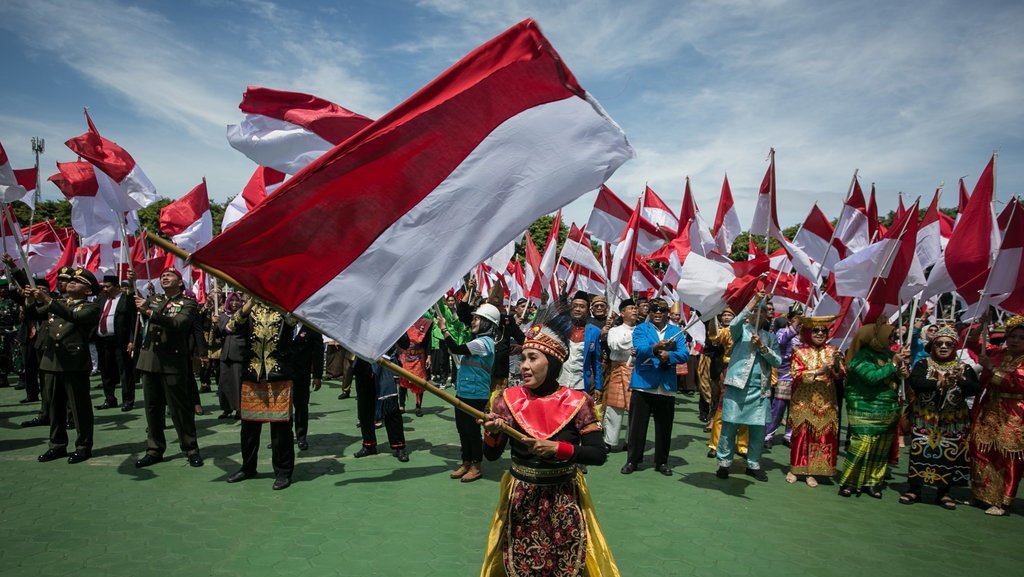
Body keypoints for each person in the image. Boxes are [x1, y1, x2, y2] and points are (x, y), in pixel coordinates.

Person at [479, 315, 620, 577]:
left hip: (564, 498)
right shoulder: (506, 399)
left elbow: (598, 454)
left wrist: (558, 449)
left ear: (552, 362)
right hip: (521, 497)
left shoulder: (578, 402)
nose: (524, 366)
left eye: (533, 358)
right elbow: (491, 454)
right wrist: (491, 433)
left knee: (566, 564)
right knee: (520, 565)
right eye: (523, 358)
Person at [900, 325, 979, 509]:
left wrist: (962, 380)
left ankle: (944, 492)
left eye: (948, 344)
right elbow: (916, 382)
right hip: (925, 418)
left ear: (955, 347)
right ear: (933, 346)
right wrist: (940, 383)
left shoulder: (963, 367)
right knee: (920, 453)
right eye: (939, 344)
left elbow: (974, 389)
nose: (944, 347)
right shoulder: (923, 364)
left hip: (952, 422)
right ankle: (915, 489)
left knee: (949, 456)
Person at [133, 267, 204, 469]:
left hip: (172, 362)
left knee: (179, 409)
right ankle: (154, 450)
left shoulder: (188, 303)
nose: (164, 277)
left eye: (169, 275)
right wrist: (132, 284)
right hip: (150, 361)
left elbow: (179, 324)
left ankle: (191, 448)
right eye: (162, 275)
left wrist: (149, 313)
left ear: (180, 282)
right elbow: (136, 305)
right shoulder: (154, 300)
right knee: (152, 408)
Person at [225, 298, 298, 490]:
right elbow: (230, 327)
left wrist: (281, 303)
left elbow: (293, 321)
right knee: (248, 428)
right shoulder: (250, 309)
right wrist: (247, 305)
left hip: (278, 375)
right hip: (253, 374)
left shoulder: (285, 307)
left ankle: (283, 472)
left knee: (281, 429)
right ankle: (248, 467)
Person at [31, 269, 101, 464]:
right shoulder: (59, 303)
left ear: (87, 291)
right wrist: (30, 299)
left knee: (79, 408)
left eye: (78, 282)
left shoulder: (91, 307)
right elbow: (34, 314)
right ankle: (57, 444)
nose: (71, 283)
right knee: (54, 406)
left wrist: (47, 300)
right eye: (70, 281)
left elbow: (74, 318)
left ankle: (83, 446)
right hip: (52, 361)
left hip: (74, 362)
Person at [837, 319, 909, 498]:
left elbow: (891, 378)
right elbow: (871, 377)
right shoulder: (860, 357)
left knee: (880, 447)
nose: (892, 339)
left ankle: (873, 482)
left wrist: (901, 372)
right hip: (864, 409)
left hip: (887, 410)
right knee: (860, 445)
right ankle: (849, 481)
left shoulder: (887, 354)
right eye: (889, 336)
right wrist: (893, 364)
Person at [715, 290, 781, 482]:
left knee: (758, 430)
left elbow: (777, 361)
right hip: (737, 387)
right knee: (729, 426)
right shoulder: (739, 331)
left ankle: (753, 464)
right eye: (753, 312)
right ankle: (724, 463)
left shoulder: (770, 337)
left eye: (759, 313)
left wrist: (762, 347)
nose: (755, 316)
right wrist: (755, 300)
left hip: (759, 390)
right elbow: (734, 322)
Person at [621, 297, 689, 476]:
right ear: (649, 312)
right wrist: (656, 347)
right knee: (637, 426)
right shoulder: (641, 329)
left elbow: (684, 354)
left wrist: (669, 355)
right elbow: (641, 349)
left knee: (665, 427)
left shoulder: (676, 331)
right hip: (644, 384)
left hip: (665, 386)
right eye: (654, 310)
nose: (658, 313)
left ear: (667, 313)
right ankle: (632, 460)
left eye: (662, 310)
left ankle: (662, 462)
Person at [969, 315, 1024, 516]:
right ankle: (981, 494)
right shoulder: (999, 353)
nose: (1015, 340)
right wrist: (981, 325)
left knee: (1009, 455)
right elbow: (974, 343)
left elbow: (1017, 383)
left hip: (1014, 412)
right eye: (1012, 336)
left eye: (1021, 337)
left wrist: (991, 369)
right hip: (989, 407)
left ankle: (1003, 502)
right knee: (981, 449)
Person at [437, 302, 498, 483]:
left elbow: (455, 348)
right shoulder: (476, 341)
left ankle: (476, 465)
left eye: (477, 318)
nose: (473, 321)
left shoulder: (484, 343)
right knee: (462, 429)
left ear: (488, 322)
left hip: (476, 394)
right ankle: (466, 462)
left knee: (472, 431)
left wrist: (444, 330)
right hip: (464, 391)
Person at [786, 315, 844, 486]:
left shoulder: (833, 350)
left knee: (822, 437)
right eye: (816, 330)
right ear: (808, 332)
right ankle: (796, 468)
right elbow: (796, 374)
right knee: (801, 435)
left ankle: (813, 471)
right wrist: (820, 371)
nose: (820, 333)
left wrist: (836, 364)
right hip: (804, 400)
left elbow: (839, 375)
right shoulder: (799, 351)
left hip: (826, 401)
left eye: (823, 331)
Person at [94, 274, 137, 411]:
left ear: (117, 287)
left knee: (124, 372)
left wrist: (132, 340)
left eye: (108, 286)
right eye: (104, 286)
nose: (105, 289)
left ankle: (128, 400)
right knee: (106, 371)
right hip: (103, 341)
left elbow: (133, 321)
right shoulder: (100, 300)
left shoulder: (126, 299)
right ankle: (110, 398)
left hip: (121, 341)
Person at [602, 299, 637, 451]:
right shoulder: (614, 330)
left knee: (635, 408)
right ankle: (609, 440)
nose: (635, 310)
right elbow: (614, 345)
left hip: (636, 371)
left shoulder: (642, 329)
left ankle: (631, 440)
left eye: (636, 308)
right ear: (622, 313)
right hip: (618, 369)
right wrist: (635, 338)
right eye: (631, 308)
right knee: (614, 407)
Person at [291, 322, 324, 451]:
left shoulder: (312, 328)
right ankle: (282, 436)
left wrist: (317, 376)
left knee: (301, 406)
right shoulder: (282, 324)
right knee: (282, 407)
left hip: (302, 374)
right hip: (283, 374)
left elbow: (318, 353)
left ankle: (301, 437)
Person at [215, 292, 245, 420]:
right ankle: (226, 409)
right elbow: (219, 334)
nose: (234, 303)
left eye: (236, 300)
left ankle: (239, 409)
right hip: (225, 353)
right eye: (231, 300)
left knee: (238, 383)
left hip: (239, 353)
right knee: (224, 382)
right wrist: (214, 323)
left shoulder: (244, 315)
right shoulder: (223, 316)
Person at [397, 316, 432, 416]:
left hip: (419, 357)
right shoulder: (403, 321)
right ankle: (401, 405)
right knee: (403, 381)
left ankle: (418, 406)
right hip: (405, 356)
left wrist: (429, 356)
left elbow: (428, 341)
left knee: (420, 382)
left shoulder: (426, 323)